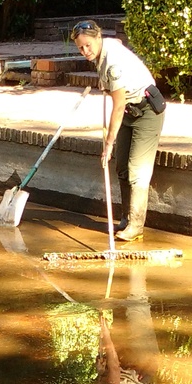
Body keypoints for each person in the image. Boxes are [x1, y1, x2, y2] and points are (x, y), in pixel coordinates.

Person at [71, 20, 166, 242]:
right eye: (80, 48)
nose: (85, 51)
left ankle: (136, 225)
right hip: (129, 112)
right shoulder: (104, 49)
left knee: (136, 170)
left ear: (97, 37)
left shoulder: (112, 63)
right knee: (122, 167)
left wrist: (108, 143)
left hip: (147, 111)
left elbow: (119, 104)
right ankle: (125, 218)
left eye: (88, 45)